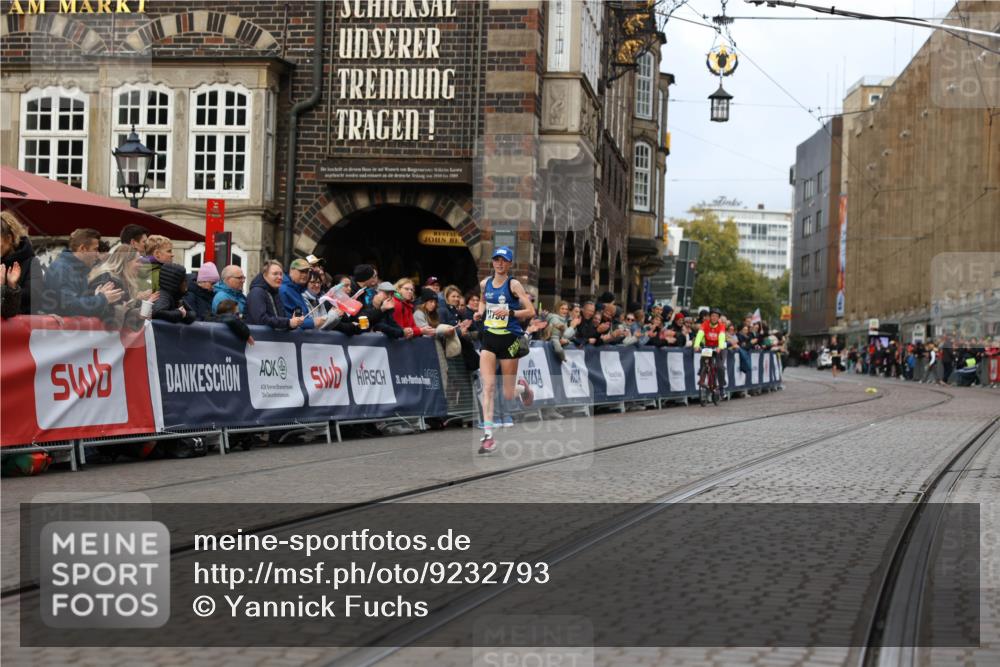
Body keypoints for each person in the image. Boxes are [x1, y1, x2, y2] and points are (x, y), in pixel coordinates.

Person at [473, 246, 535, 455]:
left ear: (510, 264)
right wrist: (479, 314)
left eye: (504, 260)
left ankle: (522, 389)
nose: (499, 263)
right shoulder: (485, 284)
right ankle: (488, 437)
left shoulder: (514, 284)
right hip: (489, 338)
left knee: (508, 394)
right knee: (488, 387)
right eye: (496, 260)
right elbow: (483, 301)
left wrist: (509, 311)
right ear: (492, 262)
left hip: (510, 339)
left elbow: (530, 311)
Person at [45, 228, 123, 317]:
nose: (97, 254)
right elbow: (69, 306)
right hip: (58, 330)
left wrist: (96, 296)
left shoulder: (78, 270)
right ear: (82, 248)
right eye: (95, 249)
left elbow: (77, 302)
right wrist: (102, 299)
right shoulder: (62, 269)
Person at [1, 211, 42, 315]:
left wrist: (11, 287)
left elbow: (33, 296)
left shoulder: (31, 262)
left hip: (22, 326)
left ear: (9, 238)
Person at [246, 260, 306, 330]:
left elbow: (281, 320)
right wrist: (288, 322)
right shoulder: (257, 292)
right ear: (265, 275)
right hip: (259, 339)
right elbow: (260, 320)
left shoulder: (275, 292)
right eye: (275, 274)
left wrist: (293, 323)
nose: (280, 277)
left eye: (281, 274)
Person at [279, 258, 327, 330]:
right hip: (289, 338)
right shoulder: (284, 290)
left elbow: (301, 316)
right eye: (302, 271)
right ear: (291, 271)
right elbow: (286, 319)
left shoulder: (298, 289)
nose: (305, 274)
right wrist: (312, 322)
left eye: (307, 271)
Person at [693, 307, 727, 395]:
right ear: (710, 316)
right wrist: (696, 345)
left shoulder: (721, 325)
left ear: (718, 318)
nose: (714, 317)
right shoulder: (705, 324)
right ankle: (702, 374)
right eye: (712, 316)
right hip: (708, 346)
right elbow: (700, 335)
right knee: (704, 361)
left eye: (716, 316)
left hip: (719, 347)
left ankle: (722, 386)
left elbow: (722, 337)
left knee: (720, 367)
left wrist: (720, 346)